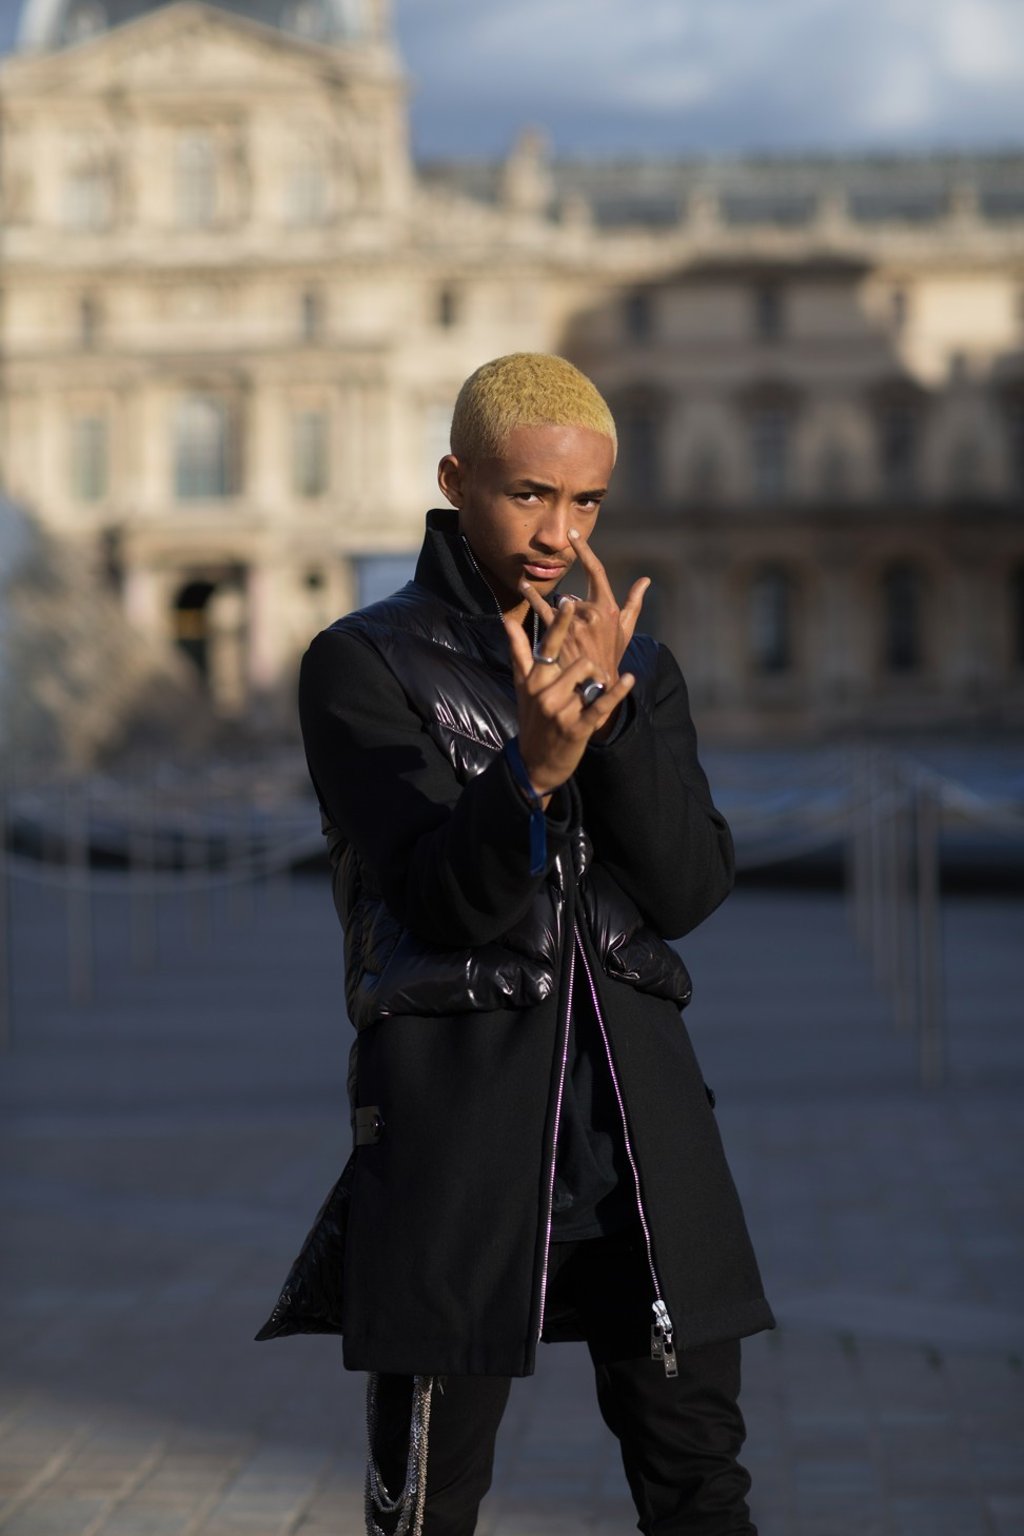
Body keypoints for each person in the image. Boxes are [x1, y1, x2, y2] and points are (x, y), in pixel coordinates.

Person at [297, 353, 773, 1536]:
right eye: (529, 495)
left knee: (701, 1485)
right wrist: (529, 772)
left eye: (587, 503)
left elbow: (691, 885)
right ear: (457, 478)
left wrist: (605, 725)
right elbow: (436, 902)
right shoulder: (361, 663)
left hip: (642, 1133)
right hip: (459, 1124)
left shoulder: (637, 663)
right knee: (425, 1501)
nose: (561, 531)